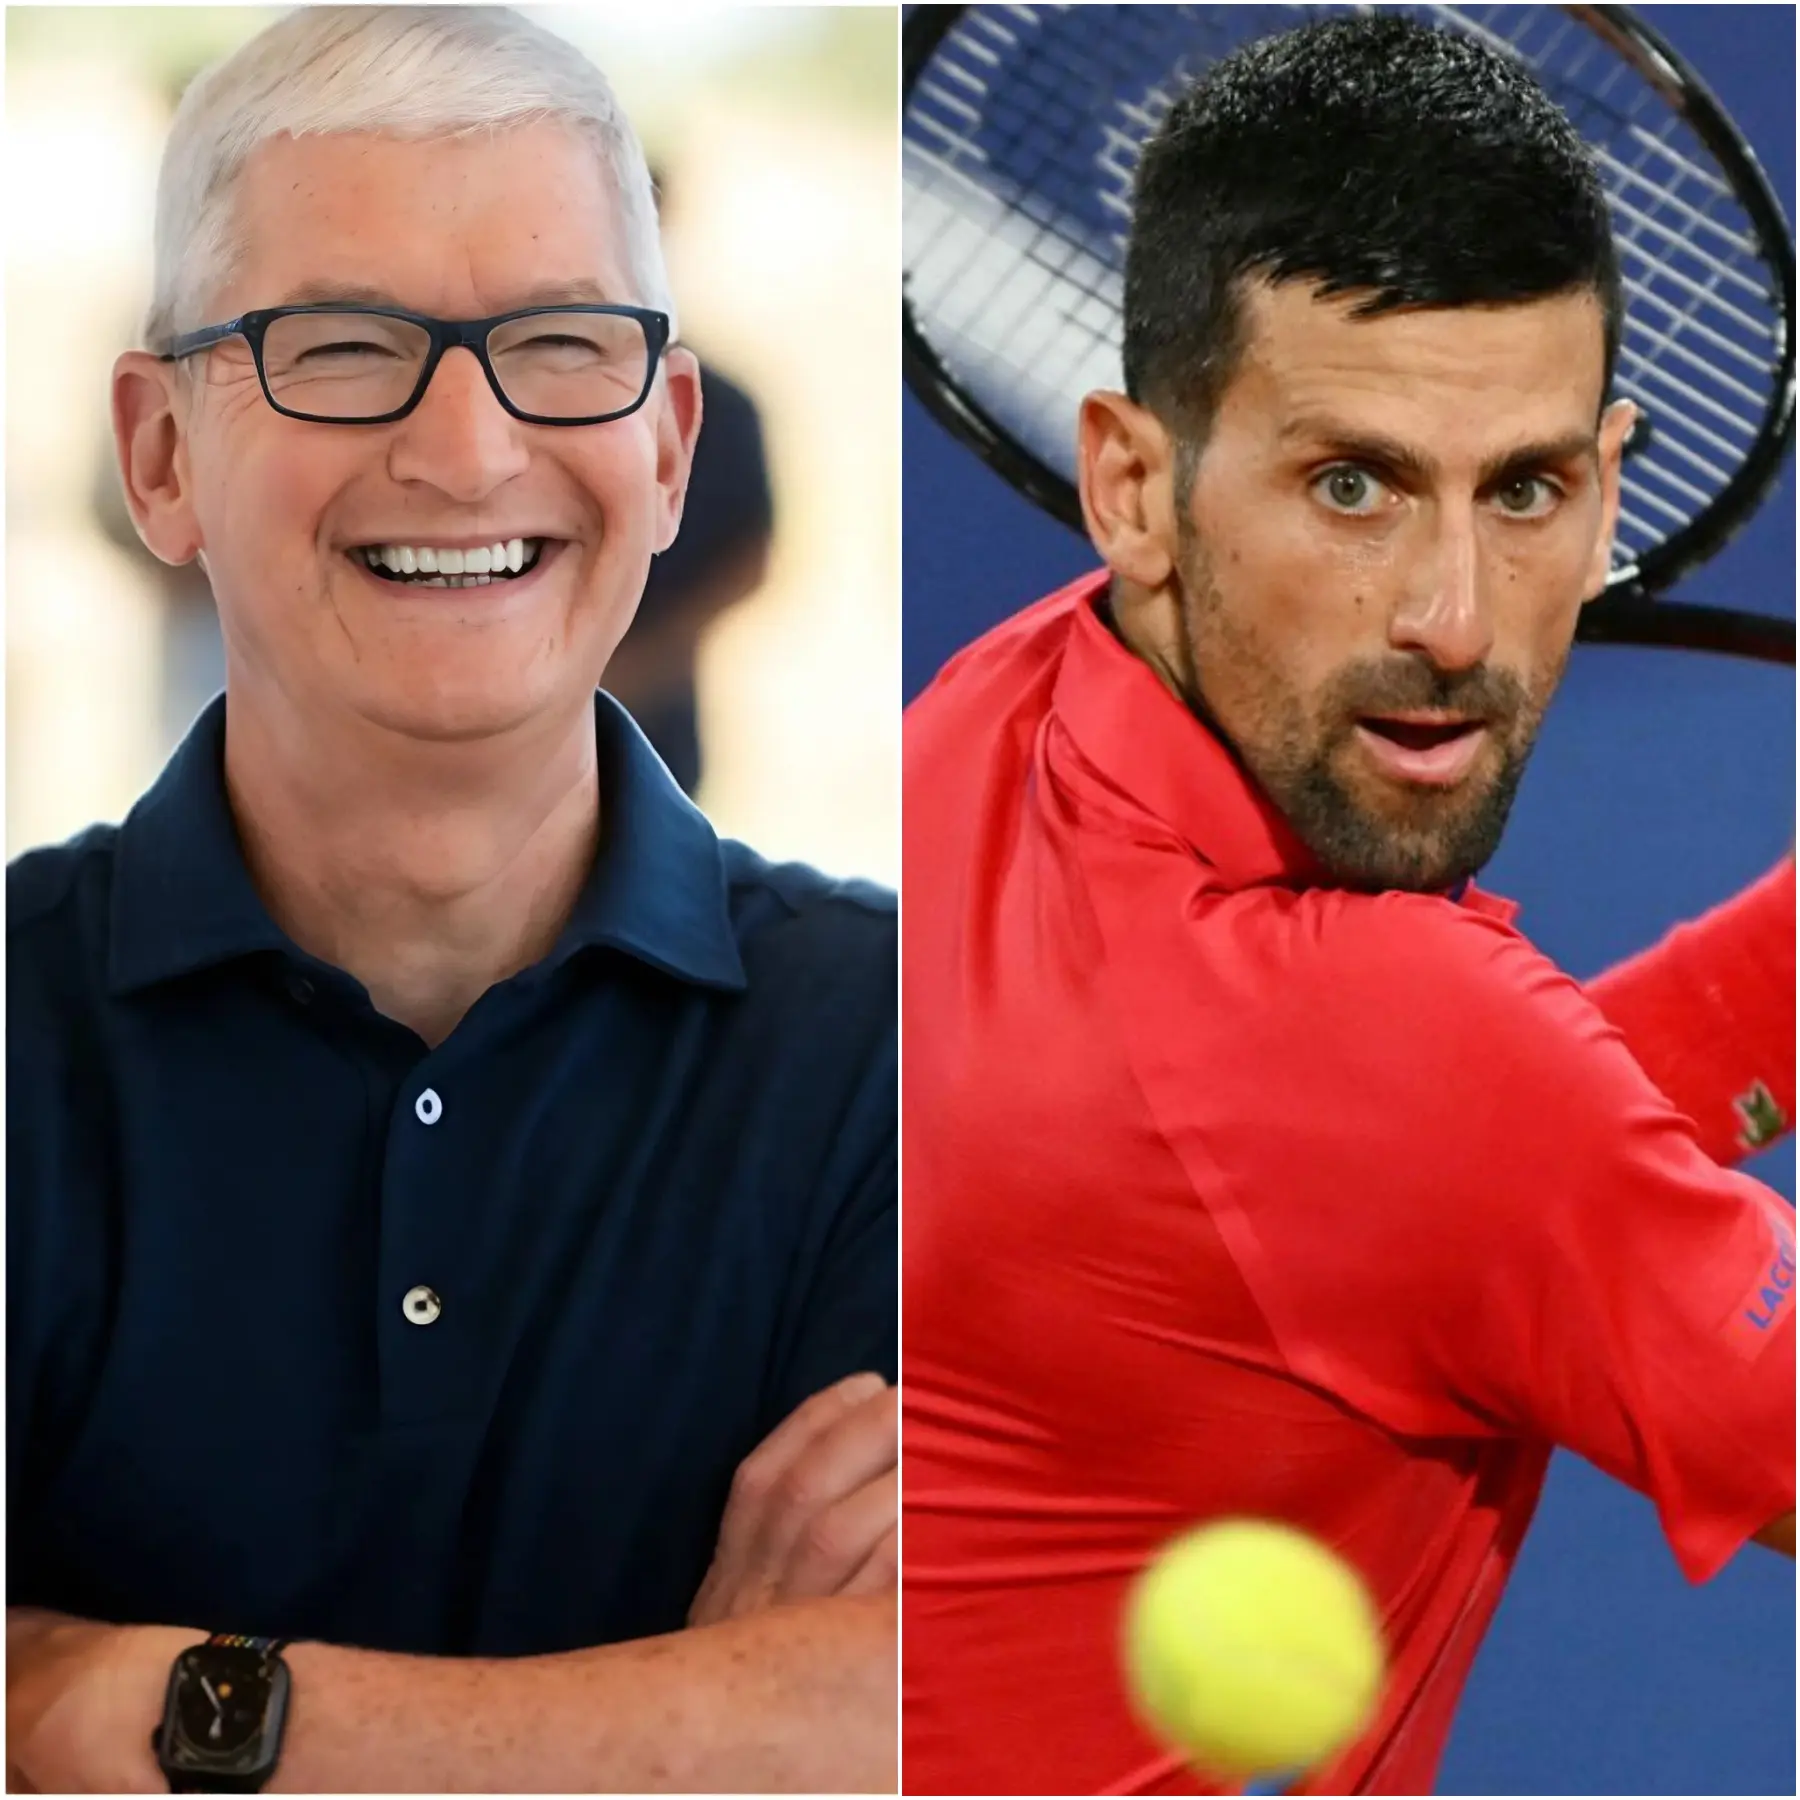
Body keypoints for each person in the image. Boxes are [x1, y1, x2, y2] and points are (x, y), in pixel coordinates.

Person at [901, 17, 1793, 1796]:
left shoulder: (998, 718)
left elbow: (1410, 1190)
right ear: (1134, 479)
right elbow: (1447, 1143)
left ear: (1612, 481)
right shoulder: (1385, 1064)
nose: (1455, 618)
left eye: (1526, 490)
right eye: (1355, 486)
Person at [8, 8, 894, 1794]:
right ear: (160, 452)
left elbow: (917, 1715)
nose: (470, 447)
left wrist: (114, 1706)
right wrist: (693, 1723)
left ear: (665, 443)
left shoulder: (913, 1056)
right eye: (343, 347)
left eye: (562, 345)